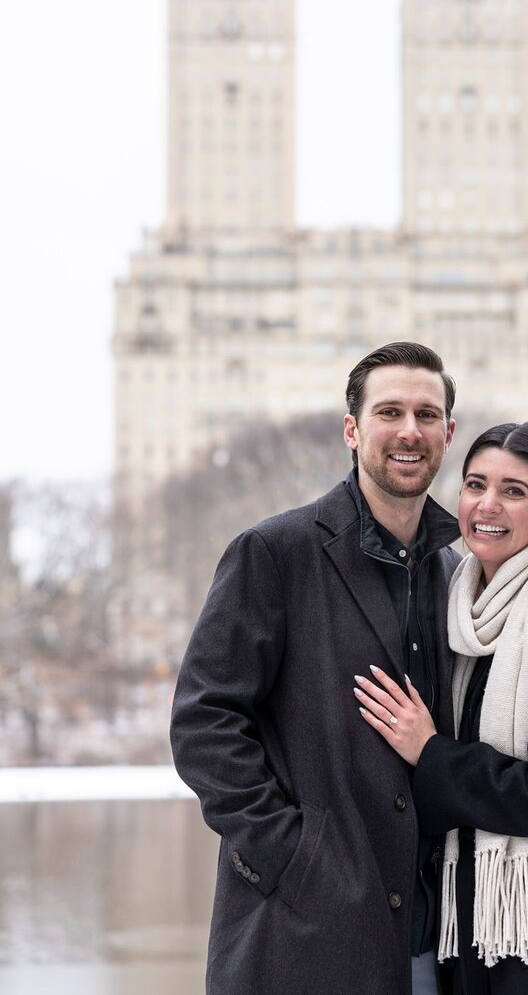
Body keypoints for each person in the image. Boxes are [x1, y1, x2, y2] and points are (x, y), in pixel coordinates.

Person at [170, 342, 461, 995]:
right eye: (390, 411)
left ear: (448, 433)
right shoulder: (274, 553)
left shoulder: (457, 574)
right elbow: (203, 723)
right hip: (306, 935)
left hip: (434, 947)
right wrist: (296, 857)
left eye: (426, 413)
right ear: (353, 430)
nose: (409, 430)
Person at [355, 421, 528, 993]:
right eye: (475, 484)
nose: (488, 504)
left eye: (514, 491)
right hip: (472, 935)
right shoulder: (459, 619)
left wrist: (429, 751)